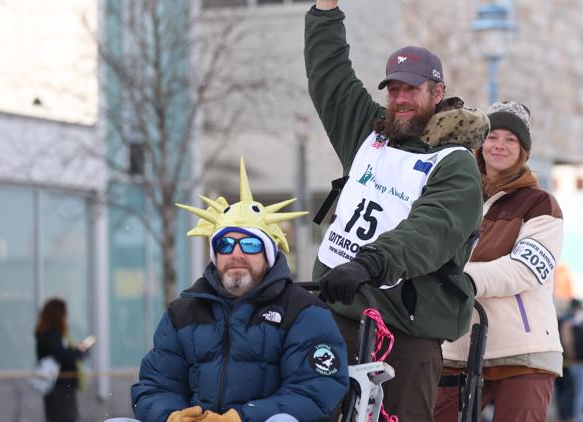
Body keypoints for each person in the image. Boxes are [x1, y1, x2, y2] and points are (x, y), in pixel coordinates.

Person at [305, 2, 488, 420]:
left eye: (411, 89)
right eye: (394, 90)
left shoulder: (455, 163)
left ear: (437, 93)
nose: (400, 99)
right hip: (343, 308)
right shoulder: (370, 134)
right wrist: (324, 10)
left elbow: (430, 230)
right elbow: (329, 75)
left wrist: (370, 262)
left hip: (407, 327)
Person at [131, 158, 349, 422]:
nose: (236, 254)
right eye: (225, 245)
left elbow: (316, 390)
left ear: (268, 254)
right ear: (215, 254)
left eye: (250, 245)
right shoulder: (183, 313)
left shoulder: (304, 312)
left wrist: (243, 417)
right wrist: (172, 416)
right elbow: (155, 386)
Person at [435, 101, 565, 422]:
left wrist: (460, 278)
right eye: (493, 137)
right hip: (455, 346)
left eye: (511, 139)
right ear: (480, 143)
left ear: (523, 151)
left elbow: (525, 270)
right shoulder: (456, 197)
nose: (499, 146)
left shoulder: (541, 204)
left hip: (523, 350)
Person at [35, 297, 91, 422]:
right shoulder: (51, 334)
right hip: (59, 387)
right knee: (65, 417)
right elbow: (61, 356)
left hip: (59, 386)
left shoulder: (47, 333)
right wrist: (78, 351)